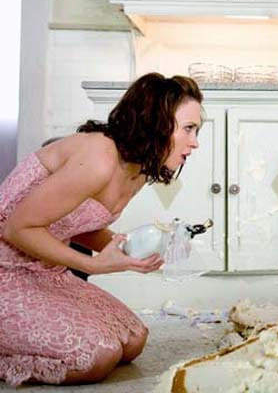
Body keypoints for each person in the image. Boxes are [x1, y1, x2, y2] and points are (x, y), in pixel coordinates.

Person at [0, 72, 203, 386]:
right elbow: (17, 229)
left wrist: (133, 251)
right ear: (157, 123)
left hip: (46, 272)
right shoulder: (98, 159)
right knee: (95, 356)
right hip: (7, 273)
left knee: (133, 339)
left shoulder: (139, 169)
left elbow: (74, 221)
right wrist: (92, 265)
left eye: (196, 130)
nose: (195, 142)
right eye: (188, 128)